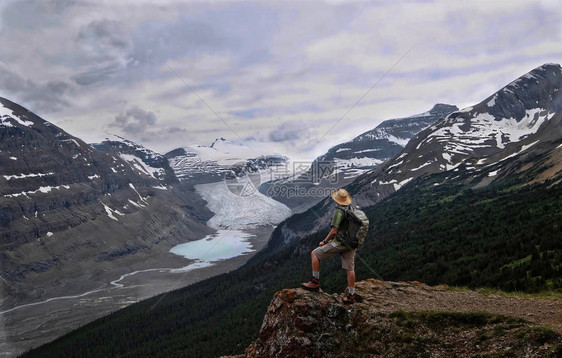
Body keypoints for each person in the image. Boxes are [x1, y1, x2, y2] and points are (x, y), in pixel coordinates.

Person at [302, 188, 356, 304]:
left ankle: (315, 282)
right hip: (351, 243)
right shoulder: (351, 209)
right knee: (350, 269)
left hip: (340, 242)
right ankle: (351, 295)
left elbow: (334, 230)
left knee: (315, 254)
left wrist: (324, 242)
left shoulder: (339, 211)